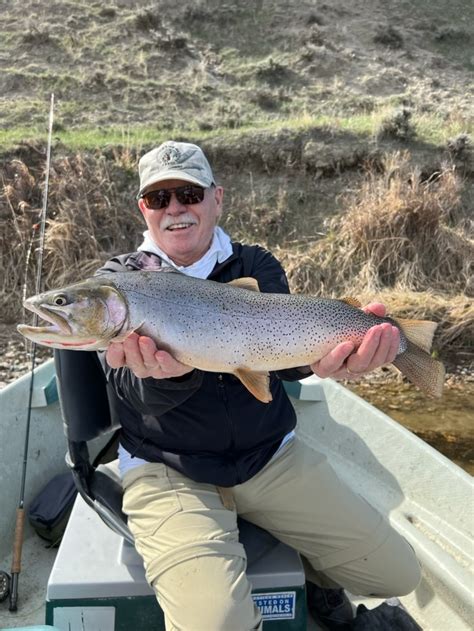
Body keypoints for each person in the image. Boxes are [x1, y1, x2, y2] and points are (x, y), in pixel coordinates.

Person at [97, 141, 421, 630]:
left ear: (216, 198)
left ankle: (312, 577)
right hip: (169, 468)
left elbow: (284, 359)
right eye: (158, 199)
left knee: (399, 573)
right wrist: (172, 376)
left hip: (270, 456)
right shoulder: (120, 284)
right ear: (143, 209)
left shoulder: (256, 264)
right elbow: (128, 389)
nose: (175, 208)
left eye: (188, 192)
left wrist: (335, 362)